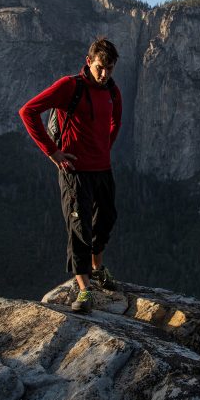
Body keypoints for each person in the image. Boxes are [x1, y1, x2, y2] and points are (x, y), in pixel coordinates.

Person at [19, 37, 122, 313]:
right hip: (74, 172)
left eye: (110, 69)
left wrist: (104, 148)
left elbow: (116, 120)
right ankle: (84, 288)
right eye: (100, 67)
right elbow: (28, 111)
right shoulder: (69, 87)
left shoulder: (112, 91)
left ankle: (97, 268)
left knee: (106, 219)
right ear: (88, 62)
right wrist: (53, 152)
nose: (104, 74)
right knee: (79, 228)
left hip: (102, 169)